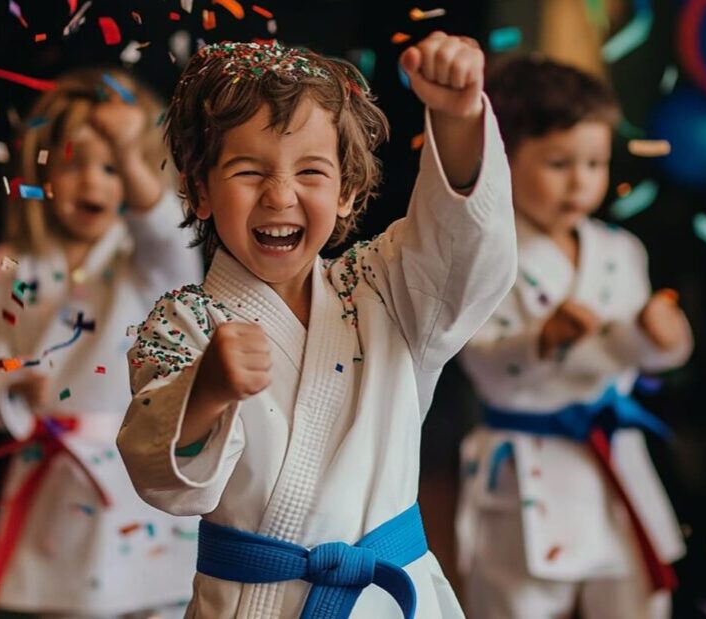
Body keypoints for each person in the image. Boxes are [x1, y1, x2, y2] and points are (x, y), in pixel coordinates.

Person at [117, 33, 516, 617]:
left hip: (385, 598)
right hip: (256, 602)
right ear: (199, 191)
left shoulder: (386, 287)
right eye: (249, 171)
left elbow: (462, 250)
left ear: (348, 191)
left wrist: (457, 118)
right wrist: (207, 389)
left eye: (311, 172)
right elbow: (165, 480)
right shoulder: (184, 323)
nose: (281, 195)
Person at [0, 68, 200, 618]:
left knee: (158, 601)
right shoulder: (11, 267)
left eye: (114, 167)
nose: (93, 182)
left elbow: (166, 233)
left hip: (140, 478)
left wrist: (130, 149)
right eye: (74, 163)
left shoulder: (149, 264)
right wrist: (11, 385)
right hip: (55, 478)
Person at [456, 55, 693, 619]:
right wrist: (543, 339)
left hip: (614, 457)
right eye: (559, 163)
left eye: (595, 162)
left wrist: (664, 336)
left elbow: (651, 358)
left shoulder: (620, 250)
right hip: (528, 467)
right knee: (518, 601)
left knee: (633, 596)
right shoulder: (487, 254)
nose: (581, 181)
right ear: (505, 160)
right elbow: (479, 362)